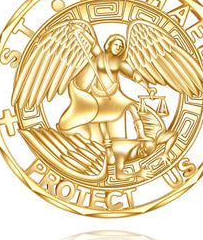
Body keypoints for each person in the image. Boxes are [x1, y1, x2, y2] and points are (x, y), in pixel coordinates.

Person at [58, 31, 153, 163]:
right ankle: (107, 147)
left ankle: (141, 135)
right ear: (109, 44)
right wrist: (80, 32)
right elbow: (92, 42)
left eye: (120, 46)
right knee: (101, 118)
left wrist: (148, 88)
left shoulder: (119, 63)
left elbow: (134, 75)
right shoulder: (99, 57)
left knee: (132, 107)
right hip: (98, 95)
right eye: (116, 44)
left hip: (115, 95)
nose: (118, 47)